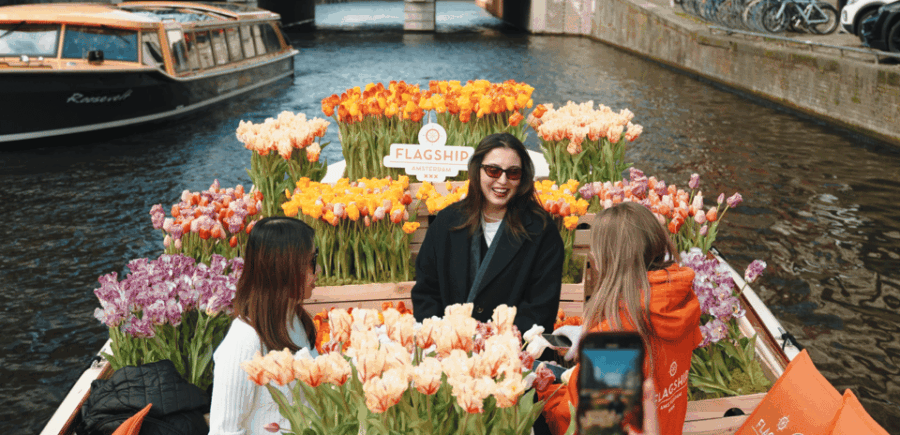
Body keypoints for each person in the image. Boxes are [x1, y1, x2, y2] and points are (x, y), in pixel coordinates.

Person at [537, 202, 702, 435]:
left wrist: (544, 389)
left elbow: (574, 420)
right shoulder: (682, 300)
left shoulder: (611, 339)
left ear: (606, 259)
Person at [411, 132, 564, 334]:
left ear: (523, 177)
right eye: (493, 171)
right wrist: (444, 337)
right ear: (477, 170)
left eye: (513, 173)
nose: (502, 181)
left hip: (510, 353)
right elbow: (427, 291)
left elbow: (540, 307)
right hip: (450, 349)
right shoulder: (447, 222)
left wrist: (494, 341)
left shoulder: (542, 231)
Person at [208, 217, 319, 435]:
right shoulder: (244, 343)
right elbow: (224, 431)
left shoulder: (294, 320)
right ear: (285, 268)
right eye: (312, 261)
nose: (319, 270)